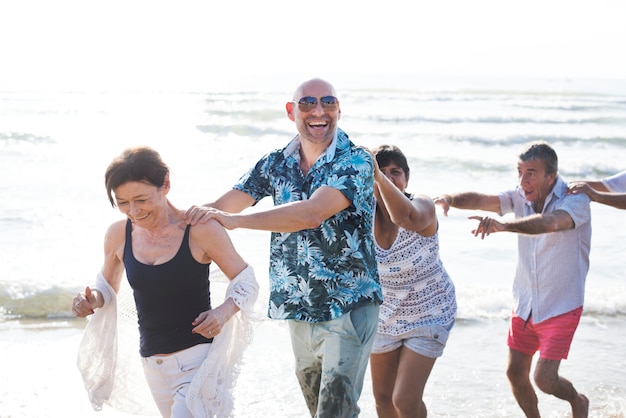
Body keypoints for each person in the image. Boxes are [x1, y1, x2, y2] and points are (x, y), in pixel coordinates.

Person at [185, 78, 383, 418]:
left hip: (348, 306)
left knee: (335, 413)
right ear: (292, 111)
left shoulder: (356, 161)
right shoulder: (276, 163)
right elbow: (223, 205)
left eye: (328, 103)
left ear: (338, 109)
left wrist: (235, 222)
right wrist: (164, 220)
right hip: (299, 307)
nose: (319, 111)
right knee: (318, 410)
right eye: (307, 103)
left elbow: (311, 213)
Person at [72, 146, 259, 418]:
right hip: (152, 364)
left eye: (141, 199)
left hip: (197, 361)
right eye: (122, 202)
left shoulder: (199, 229)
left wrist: (222, 313)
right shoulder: (118, 234)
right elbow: (106, 288)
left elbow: (246, 280)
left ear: (166, 184)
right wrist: (91, 300)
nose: (133, 211)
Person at [434, 141, 590, 418]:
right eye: (519, 171)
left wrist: (504, 227)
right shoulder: (520, 196)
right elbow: (484, 200)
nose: (523, 180)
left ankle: (578, 401)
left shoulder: (575, 200)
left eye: (531, 172)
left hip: (562, 305)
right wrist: (450, 198)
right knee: (515, 373)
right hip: (525, 303)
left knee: (544, 379)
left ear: (551, 176)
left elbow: (550, 223)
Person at [367, 144, 456, 418]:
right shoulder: (362, 213)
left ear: (407, 178)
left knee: (404, 400)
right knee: (383, 399)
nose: (390, 177)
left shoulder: (423, 205)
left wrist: (378, 179)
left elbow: (404, 217)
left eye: (396, 172)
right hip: (385, 314)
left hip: (430, 313)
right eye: (382, 171)